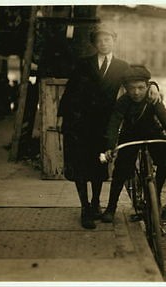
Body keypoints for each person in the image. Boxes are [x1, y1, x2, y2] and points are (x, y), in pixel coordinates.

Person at [57, 24, 160, 229]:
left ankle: (96, 203)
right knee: (80, 164)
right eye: (99, 40)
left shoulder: (122, 66)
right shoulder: (84, 64)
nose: (104, 43)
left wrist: (154, 87)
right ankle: (85, 208)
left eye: (108, 39)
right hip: (80, 122)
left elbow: (140, 79)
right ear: (94, 43)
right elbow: (70, 92)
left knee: (99, 165)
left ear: (114, 41)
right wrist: (62, 116)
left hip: (104, 123)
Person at [101, 65, 166, 223]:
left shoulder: (152, 99)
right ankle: (111, 207)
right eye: (132, 88)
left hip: (152, 132)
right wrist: (110, 147)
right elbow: (114, 123)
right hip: (130, 135)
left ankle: (156, 192)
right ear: (126, 88)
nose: (136, 92)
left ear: (148, 86)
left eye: (141, 88)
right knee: (121, 170)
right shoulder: (123, 101)